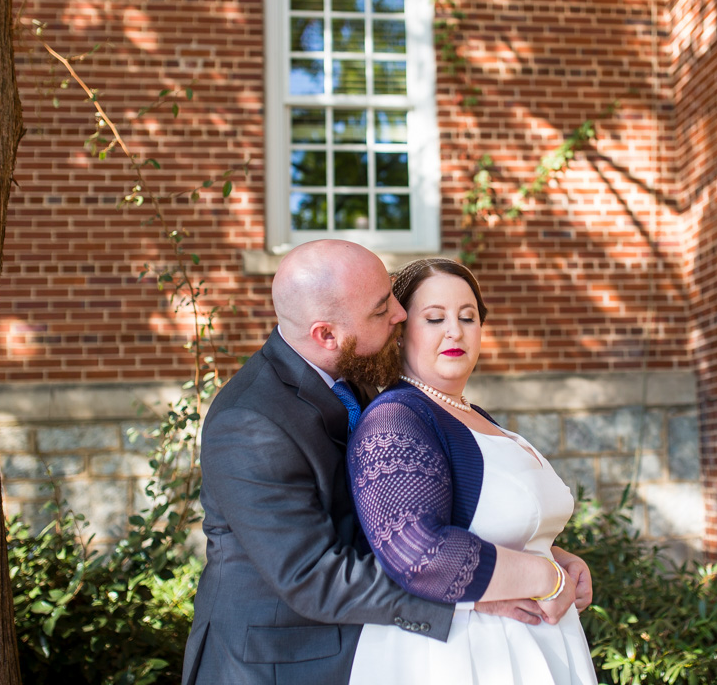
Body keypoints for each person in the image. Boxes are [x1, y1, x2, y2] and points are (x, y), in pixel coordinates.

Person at [182, 241, 543, 685]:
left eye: (392, 293)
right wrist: (465, 592)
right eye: (380, 309)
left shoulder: (361, 373)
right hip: (277, 662)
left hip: (371, 648)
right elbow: (312, 576)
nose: (399, 313)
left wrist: (534, 546)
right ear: (326, 335)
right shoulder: (250, 421)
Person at [346, 258, 598, 685]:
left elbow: (486, 525)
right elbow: (418, 553)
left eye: (468, 316)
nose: (455, 331)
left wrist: (554, 555)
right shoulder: (396, 419)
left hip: (535, 643)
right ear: (401, 331)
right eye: (434, 318)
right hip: (460, 657)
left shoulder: (470, 414)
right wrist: (546, 576)